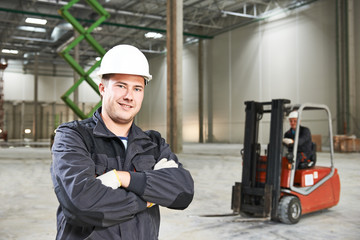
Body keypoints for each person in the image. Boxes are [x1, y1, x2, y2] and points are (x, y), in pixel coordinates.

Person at [51, 44, 194, 240]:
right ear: (102, 88)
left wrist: (121, 178)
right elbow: (81, 205)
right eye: (121, 86)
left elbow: (183, 192)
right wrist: (149, 198)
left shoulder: (152, 143)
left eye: (137, 88)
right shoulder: (73, 136)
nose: (129, 96)